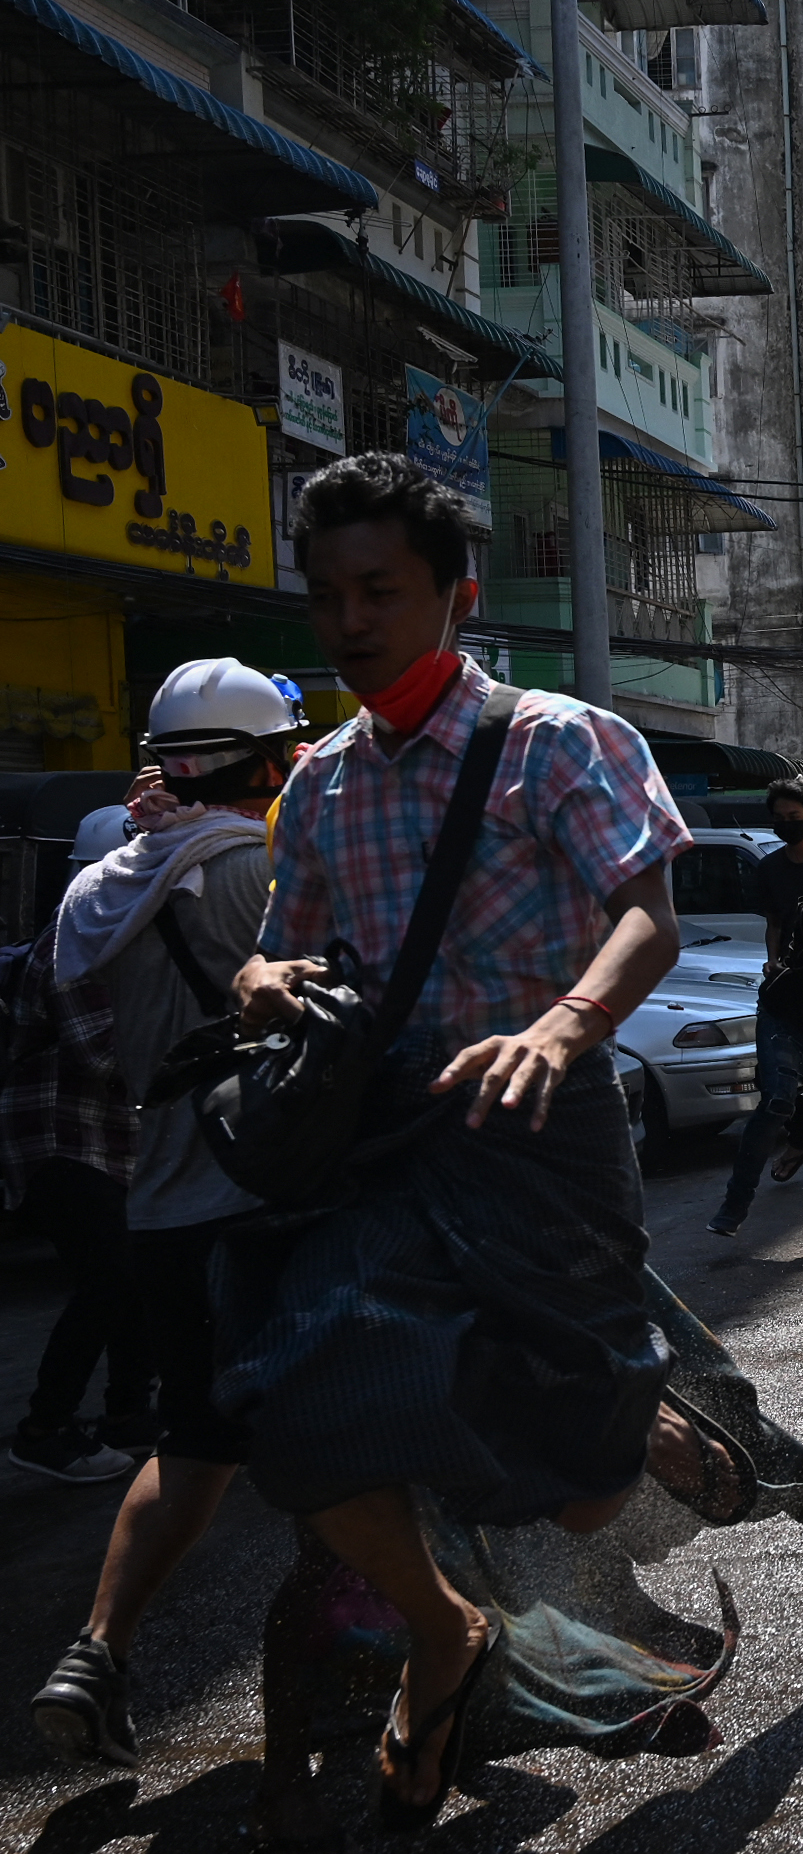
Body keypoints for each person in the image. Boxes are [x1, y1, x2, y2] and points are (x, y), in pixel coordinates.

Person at [220, 453, 783, 1827]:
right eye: (330, 596)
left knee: (582, 1490)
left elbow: (643, 912)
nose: (352, 622)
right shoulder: (322, 781)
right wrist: (260, 983)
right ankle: (447, 1630)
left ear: (455, 594)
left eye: (381, 592)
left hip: (544, 1132)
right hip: (390, 1144)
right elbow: (272, 951)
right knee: (292, 1408)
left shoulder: (557, 739)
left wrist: (565, 1028)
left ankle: (630, 1410)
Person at [27, 661, 292, 1767]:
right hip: (266, 1201)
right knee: (356, 1424)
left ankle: (95, 1649)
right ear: (266, 759)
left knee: (192, 1443)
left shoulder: (103, 887)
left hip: (163, 1204)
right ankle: (380, 1674)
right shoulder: (252, 872)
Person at [2, 808, 149, 1486]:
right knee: (110, 1277)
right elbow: (100, 1053)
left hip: (110, 1141)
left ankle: (128, 1415)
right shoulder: (77, 936)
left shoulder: (114, 934)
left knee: (136, 1278)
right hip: (63, 1136)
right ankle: (44, 1429)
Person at [710, 780, 803, 1236]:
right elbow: (778, 923)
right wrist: (773, 961)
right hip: (791, 1008)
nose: (785, 826)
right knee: (777, 1098)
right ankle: (735, 1205)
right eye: (780, 818)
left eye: (794, 818)